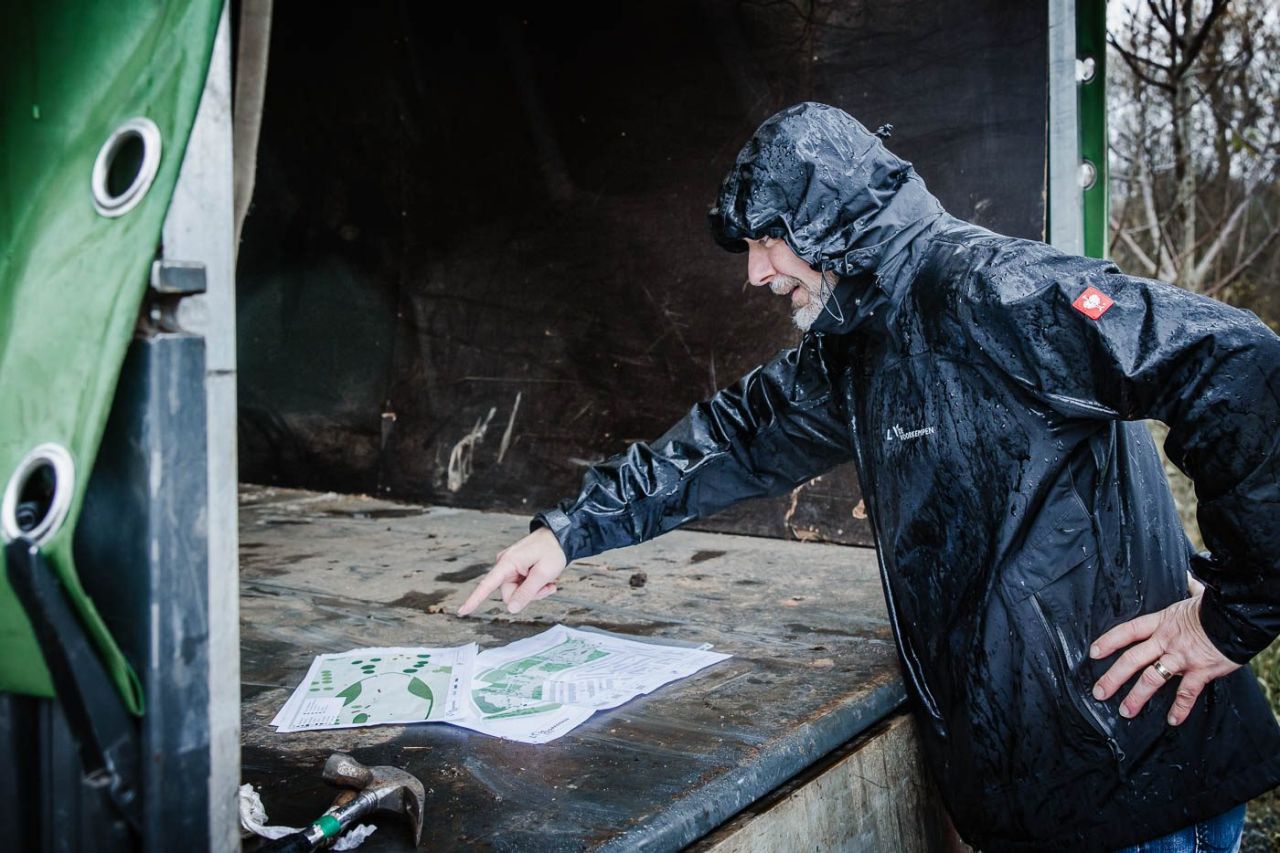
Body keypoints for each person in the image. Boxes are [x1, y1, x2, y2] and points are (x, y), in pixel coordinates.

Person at [458, 102, 1280, 851]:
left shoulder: (989, 288)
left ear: (832, 218)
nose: (754, 272)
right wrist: (570, 531)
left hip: (1134, 782)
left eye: (766, 239)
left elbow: (1235, 366)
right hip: (1037, 794)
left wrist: (1231, 615)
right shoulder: (861, 345)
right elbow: (739, 434)